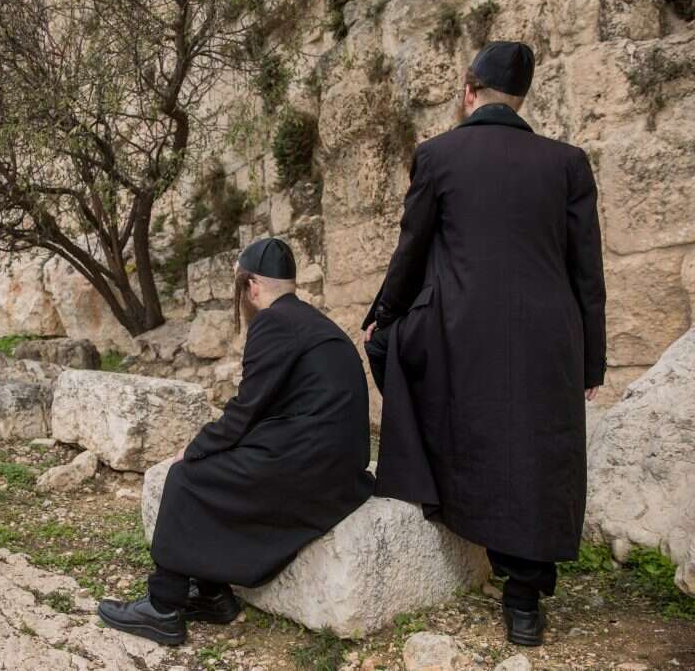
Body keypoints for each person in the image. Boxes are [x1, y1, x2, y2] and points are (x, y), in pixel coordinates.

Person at [362, 41, 607, 647]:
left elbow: (411, 249)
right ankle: (524, 599)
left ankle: (436, 490)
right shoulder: (568, 162)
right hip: (550, 337)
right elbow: (587, 272)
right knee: (536, 447)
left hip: (461, 331)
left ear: (469, 92)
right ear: (520, 98)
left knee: (392, 355)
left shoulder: (437, 155)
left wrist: (383, 316)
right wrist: (591, 360)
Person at [98, 237, 375, 646]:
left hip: (309, 463)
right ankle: (213, 596)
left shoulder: (273, 322)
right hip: (339, 466)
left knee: (187, 478)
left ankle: (163, 606)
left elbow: (247, 408)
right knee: (219, 469)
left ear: (252, 286)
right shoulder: (312, 320)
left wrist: (193, 449)